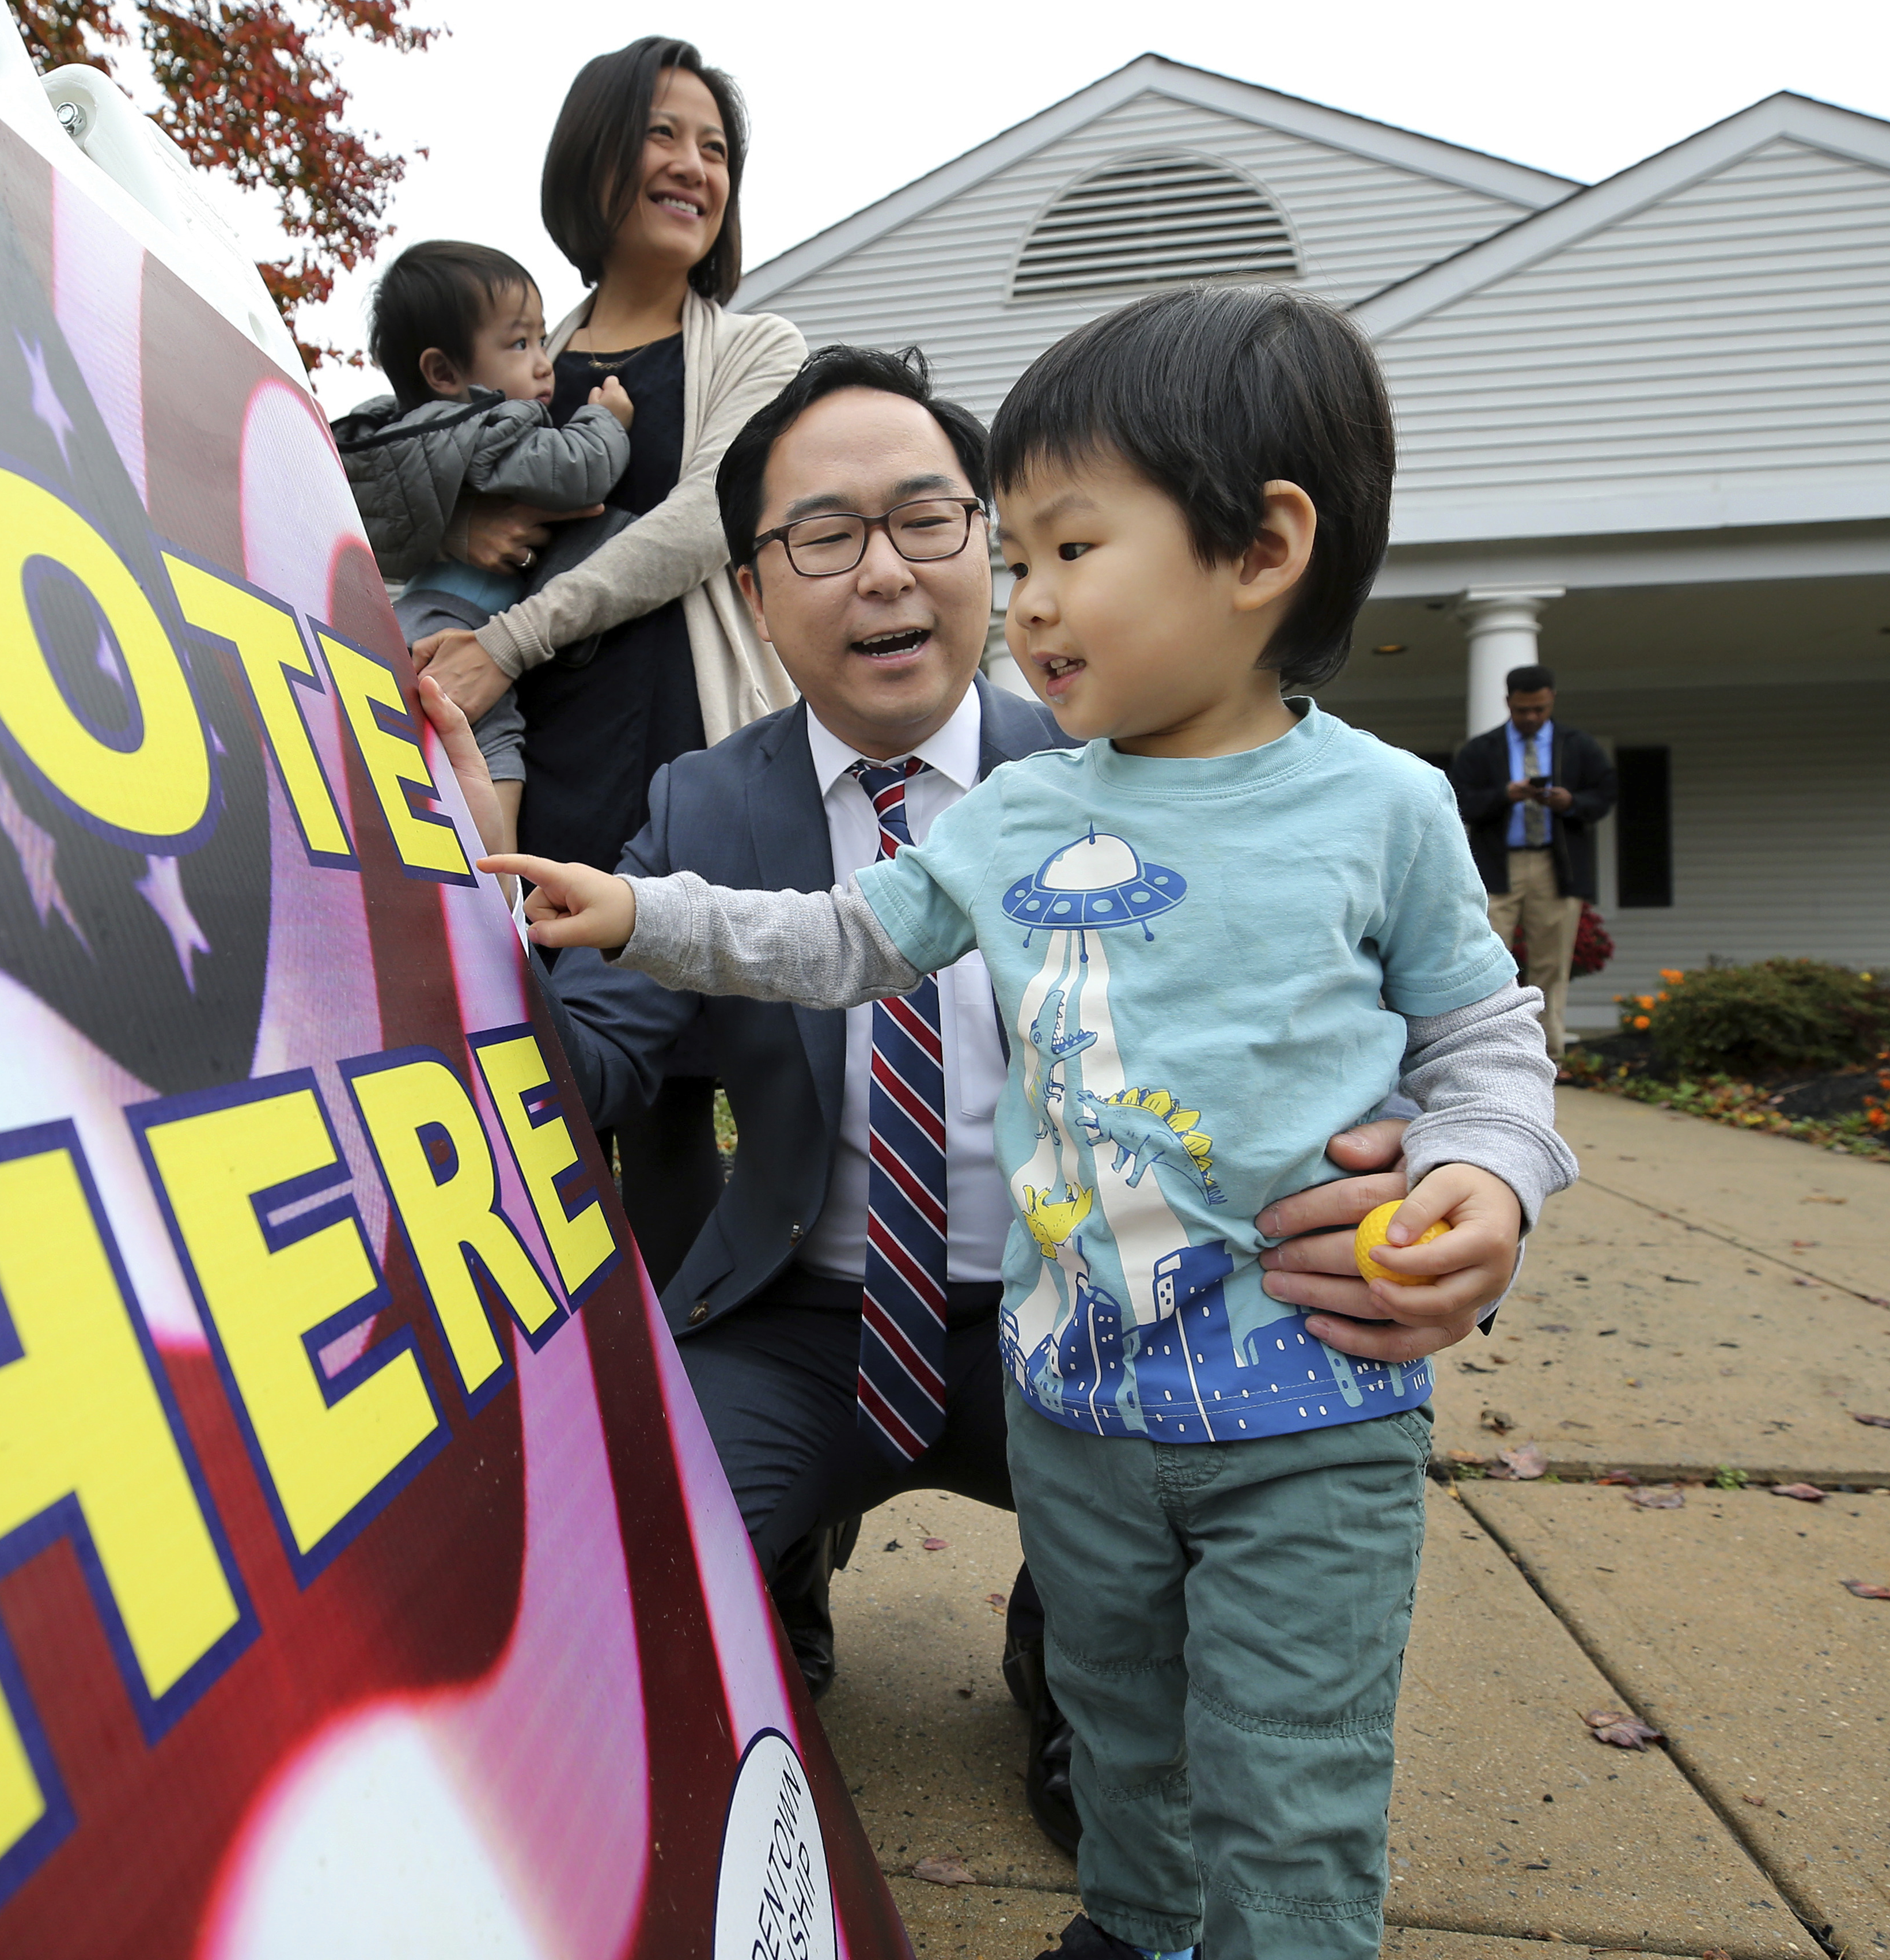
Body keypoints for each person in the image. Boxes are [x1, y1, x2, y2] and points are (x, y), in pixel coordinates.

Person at [477, 286, 1578, 1960]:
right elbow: (840, 939)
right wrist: (626, 915)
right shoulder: (1001, 810)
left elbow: (1481, 1032)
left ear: (1261, 550)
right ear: (758, 585)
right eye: (1023, 553)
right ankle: (1118, 1907)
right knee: (1122, 1726)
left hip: (1290, 1393)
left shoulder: (1381, 807)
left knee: (1286, 1776)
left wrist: (1476, 1179)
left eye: (1014, 540)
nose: (1009, 592)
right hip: (1038, 1379)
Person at [412, 36, 806, 1289]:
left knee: (694, 1087)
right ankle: (569, 1393)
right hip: (545, 760)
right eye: (664, 135)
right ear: (594, 155)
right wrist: (452, 537)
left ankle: (722, 1419)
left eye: (716, 148)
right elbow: (408, 485)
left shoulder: (757, 352)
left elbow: (708, 520)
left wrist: (511, 635)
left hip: (693, 751)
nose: (694, 166)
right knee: (553, 1076)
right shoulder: (516, 350)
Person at [332, 240, 634, 834]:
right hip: (447, 618)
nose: (544, 362)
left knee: (484, 747)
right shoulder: (487, 426)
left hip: (447, 621)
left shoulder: (423, 434)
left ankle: (489, 891)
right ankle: (489, 892)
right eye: (520, 344)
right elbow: (581, 469)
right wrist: (607, 421)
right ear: (443, 373)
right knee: (474, 745)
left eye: (541, 339)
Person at [1450, 664, 1615, 1059]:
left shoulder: (1577, 746)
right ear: (1508, 703)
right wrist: (1505, 795)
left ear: (1551, 700)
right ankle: (1490, 1047)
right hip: (1496, 866)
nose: (1531, 718)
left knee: (1552, 962)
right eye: (1523, 710)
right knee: (1487, 958)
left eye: (1539, 709)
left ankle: (1547, 1051)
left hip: (1555, 867)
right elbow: (1459, 801)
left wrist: (1570, 802)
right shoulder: (1481, 750)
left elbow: (1605, 794)